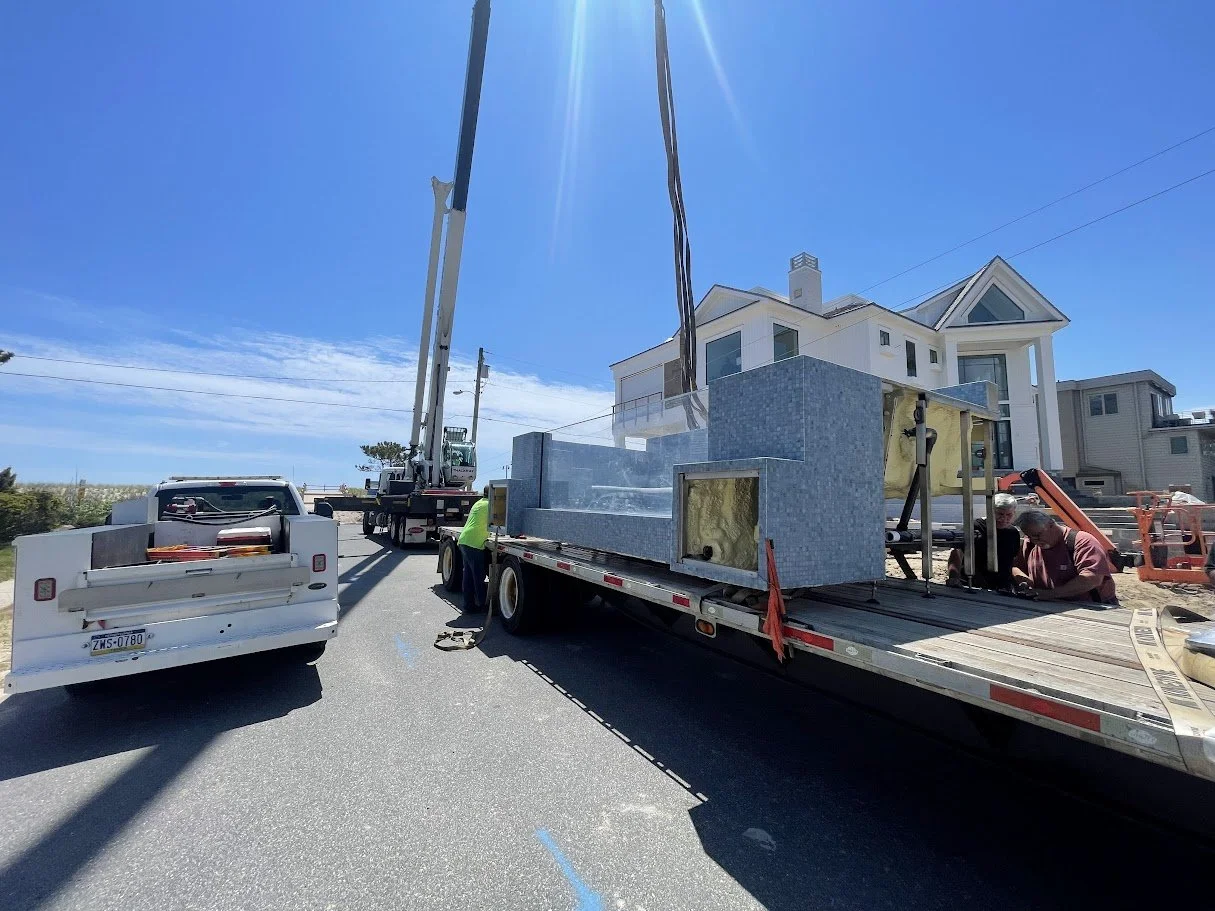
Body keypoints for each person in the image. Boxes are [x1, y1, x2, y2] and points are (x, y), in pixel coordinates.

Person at [1010, 509, 1117, 604]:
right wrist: (1024, 580)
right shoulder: (1030, 543)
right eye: (1029, 536)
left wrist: (1050, 594)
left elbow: (1092, 578)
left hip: (1091, 608)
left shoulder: (1082, 542)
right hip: (1049, 606)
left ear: (1051, 525)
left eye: (1038, 535)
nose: (1034, 540)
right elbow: (1016, 567)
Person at [946, 492, 1021, 590]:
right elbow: (957, 553)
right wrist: (954, 577)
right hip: (971, 584)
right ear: (990, 511)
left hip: (1001, 588)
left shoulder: (1013, 533)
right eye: (1000, 514)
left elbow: (1013, 561)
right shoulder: (974, 527)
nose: (1004, 518)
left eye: (1009, 515)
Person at [457, 485, 491, 613]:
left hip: (464, 540)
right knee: (478, 576)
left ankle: (469, 605)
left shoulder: (479, 503)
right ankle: (483, 605)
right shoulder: (490, 505)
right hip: (474, 543)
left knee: (469, 576)